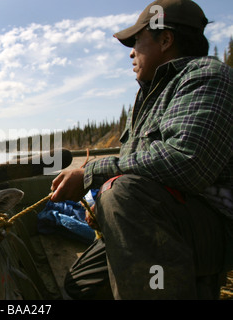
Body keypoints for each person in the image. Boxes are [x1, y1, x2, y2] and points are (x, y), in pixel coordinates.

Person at [50, 0, 232, 299]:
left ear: (165, 39)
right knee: (79, 287)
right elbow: (140, 168)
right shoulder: (148, 95)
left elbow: (187, 163)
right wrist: (105, 206)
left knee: (121, 192)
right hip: (166, 217)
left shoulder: (206, 77)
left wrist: (92, 174)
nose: (132, 52)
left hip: (214, 231)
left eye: (137, 41)